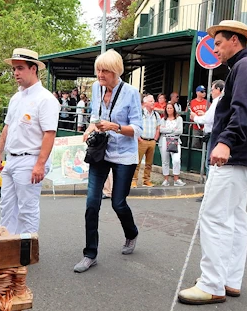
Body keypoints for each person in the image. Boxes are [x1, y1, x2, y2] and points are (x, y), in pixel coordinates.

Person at [178, 20, 247, 305]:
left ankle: (212, 283)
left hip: (235, 155)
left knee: (215, 216)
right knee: (235, 218)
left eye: (218, 43)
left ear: (234, 40)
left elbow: (242, 110)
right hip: (244, 157)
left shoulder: (245, 68)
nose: (215, 49)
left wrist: (226, 141)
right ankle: (229, 279)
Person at [73, 49, 143, 273]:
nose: (100, 74)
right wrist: (91, 128)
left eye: (104, 71)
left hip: (124, 154)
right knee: (92, 203)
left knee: (118, 203)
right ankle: (90, 254)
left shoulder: (131, 92)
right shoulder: (96, 88)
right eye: (98, 70)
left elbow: (138, 130)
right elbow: (95, 116)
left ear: (116, 71)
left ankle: (131, 233)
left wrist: (114, 127)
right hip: (101, 152)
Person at [0, 48, 60, 235]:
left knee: (26, 208)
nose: (15, 73)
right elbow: (7, 127)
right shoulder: (16, 98)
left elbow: (49, 133)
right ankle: (6, 248)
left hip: (30, 159)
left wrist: (40, 164)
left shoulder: (45, 99)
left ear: (33, 69)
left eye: (20, 68)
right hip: (12, 159)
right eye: (14, 69)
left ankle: (26, 249)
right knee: (6, 206)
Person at [192, 79, 224, 202]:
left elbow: (208, 119)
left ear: (218, 90)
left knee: (210, 165)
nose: (210, 92)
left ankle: (209, 194)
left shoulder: (217, 102)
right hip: (215, 134)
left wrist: (196, 117)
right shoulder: (222, 101)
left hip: (214, 135)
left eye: (212, 89)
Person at [131, 94, 160, 188]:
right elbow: (135, 126)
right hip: (141, 140)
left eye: (153, 101)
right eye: (151, 101)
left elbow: (158, 128)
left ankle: (146, 180)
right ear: (145, 103)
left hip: (152, 141)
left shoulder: (156, 114)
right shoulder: (140, 113)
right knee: (137, 162)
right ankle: (134, 181)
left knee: (149, 163)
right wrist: (138, 138)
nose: (153, 103)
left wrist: (155, 139)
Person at [159, 103, 185, 186]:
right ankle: (166, 179)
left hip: (175, 140)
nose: (169, 110)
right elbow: (161, 130)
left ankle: (176, 179)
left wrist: (168, 130)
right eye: (168, 108)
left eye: (171, 108)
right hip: (164, 140)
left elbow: (180, 131)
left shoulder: (179, 119)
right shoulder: (163, 119)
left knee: (176, 160)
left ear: (174, 109)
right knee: (165, 161)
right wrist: (173, 129)